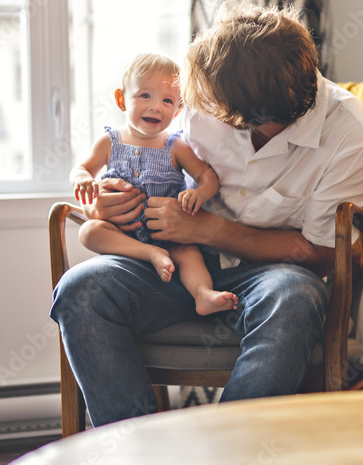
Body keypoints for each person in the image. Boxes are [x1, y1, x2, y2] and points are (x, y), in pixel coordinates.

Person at [50, 2, 363, 426]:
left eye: (213, 103)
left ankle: (229, 452)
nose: (194, 105)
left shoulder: (354, 144)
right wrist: (106, 201)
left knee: (295, 298)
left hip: (269, 273)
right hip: (168, 260)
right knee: (81, 289)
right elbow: (137, 148)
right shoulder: (204, 89)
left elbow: (322, 252)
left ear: (253, 116)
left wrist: (208, 228)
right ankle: (133, 455)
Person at [70, 53, 239, 316]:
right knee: (89, 231)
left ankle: (202, 294)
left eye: (167, 100)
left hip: (169, 237)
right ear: (121, 99)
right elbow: (82, 168)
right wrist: (82, 179)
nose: (155, 107)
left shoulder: (176, 146)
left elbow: (208, 176)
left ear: (178, 109)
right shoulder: (109, 142)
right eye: (144, 96)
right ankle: (147, 252)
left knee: (189, 253)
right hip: (123, 238)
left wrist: (199, 193)